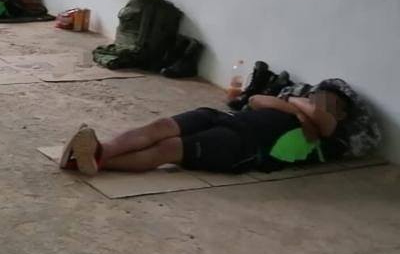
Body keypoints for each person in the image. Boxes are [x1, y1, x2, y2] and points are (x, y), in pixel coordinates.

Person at [60, 84, 354, 176]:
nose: (320, 100)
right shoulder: (294, 106)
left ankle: (90, 159)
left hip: (244, 147)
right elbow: (255, 100)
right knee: (161, 127)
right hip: (225, 118)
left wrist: (300, 106)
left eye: (331, 101)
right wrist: (295, 106)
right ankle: (100, 151)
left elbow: (323, 119)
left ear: (340, 112)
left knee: (169, 149)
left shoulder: (331, 134)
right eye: (319, 95)